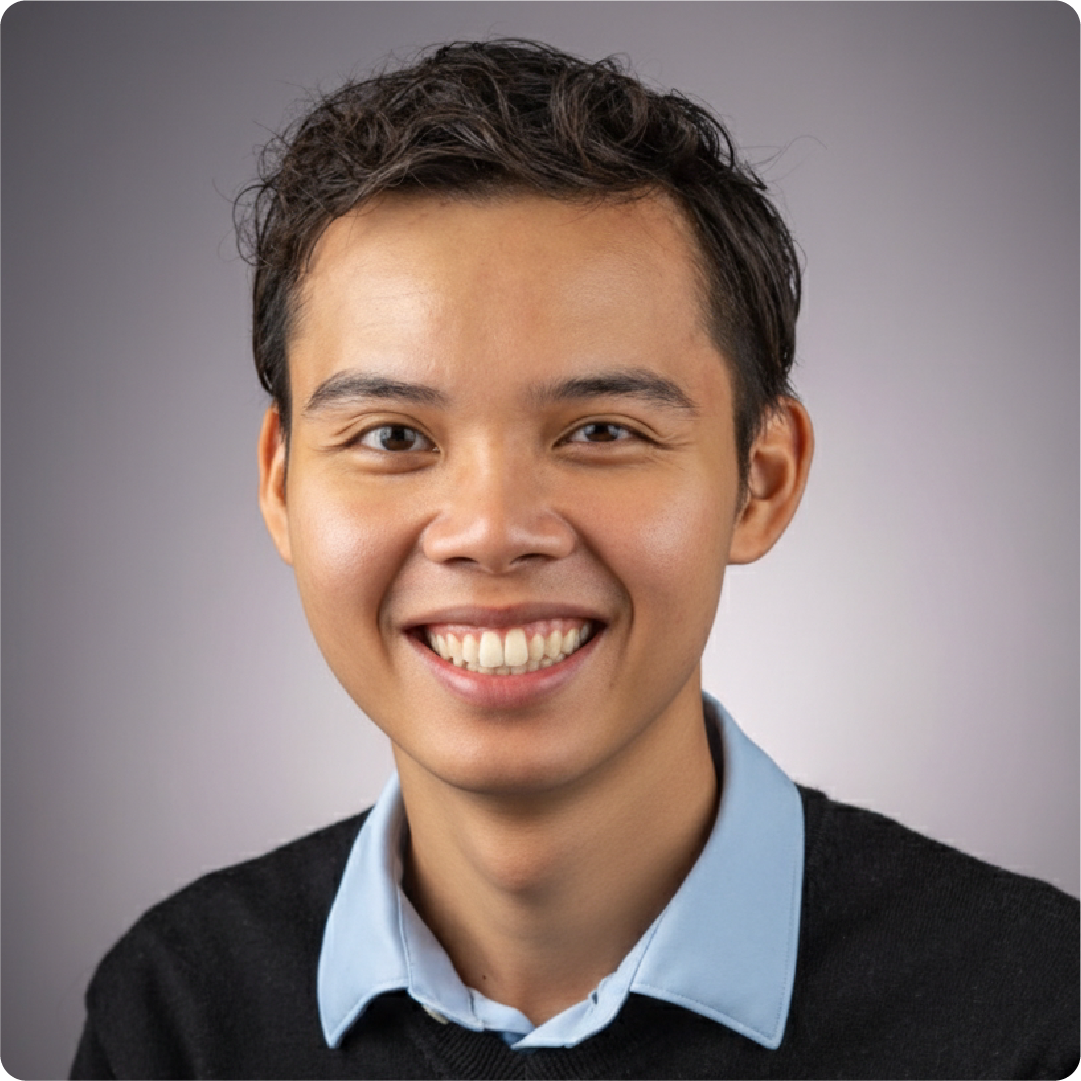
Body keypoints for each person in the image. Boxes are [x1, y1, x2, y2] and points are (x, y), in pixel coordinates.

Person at [69, 39, 1081, 1080]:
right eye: (393, 437)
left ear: (761, 478)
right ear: (282, 486)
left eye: (600, 431)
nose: (493, 528)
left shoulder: (1038, 1019)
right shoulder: (176, 1014)